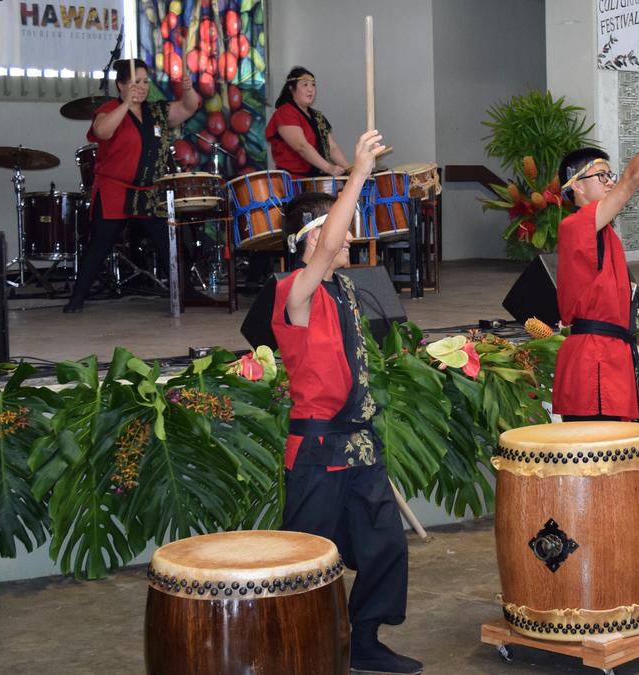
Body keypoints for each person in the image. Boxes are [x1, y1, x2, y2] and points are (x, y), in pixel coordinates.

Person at [271, 130, 422, 675]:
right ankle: (297, 650)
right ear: (311, 239)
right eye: (334, 231)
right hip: (317, 449)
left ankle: (364, 642)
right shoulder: (294, 292)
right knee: (308, 559)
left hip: (359, 443)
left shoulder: (347, 290)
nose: (347, 239)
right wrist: (356, 173)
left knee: (385, 547)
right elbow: (329, 246)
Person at [552, 91, 639, 422]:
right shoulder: (575, 226)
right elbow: (631, 180)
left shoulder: (604, 231)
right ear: (576, 187)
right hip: (594, 360)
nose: (609, 182)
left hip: (611, 355)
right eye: (600, 176)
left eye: (609, 175)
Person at [63, 58, 200, 313]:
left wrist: (188, 89)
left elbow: (188, 107)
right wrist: (126, 104)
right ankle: (77, 298)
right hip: (115, 190)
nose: (143, 87)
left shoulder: (156, 111)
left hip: (148, 193)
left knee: (168, 243)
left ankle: (186, 292)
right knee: (101, 244)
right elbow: (102, 132)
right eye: (136, 82)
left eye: (146, 81)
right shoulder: (110, 109)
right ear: (121, 85)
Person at [266, 66, 351, 178]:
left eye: (313, 85)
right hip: (293, 181)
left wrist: (349, 169)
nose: (310, 89)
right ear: (291, 88)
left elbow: (332, 148)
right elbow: (301, 146)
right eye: (305, 85)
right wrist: (328, 168)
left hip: (316, 179)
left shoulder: (317, 116)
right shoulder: (285, 113)